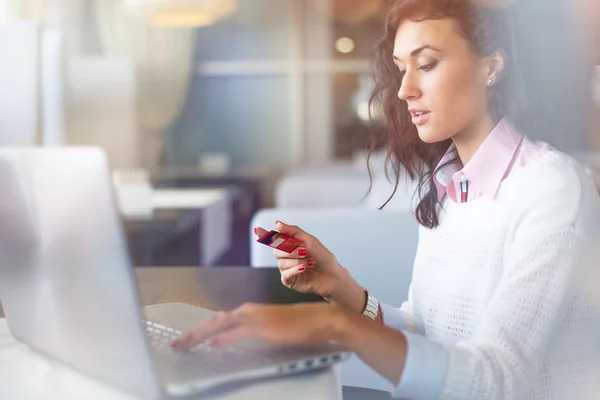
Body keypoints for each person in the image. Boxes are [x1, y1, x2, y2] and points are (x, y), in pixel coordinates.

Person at [172, 0, 600, 398]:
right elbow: (425, 331)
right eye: (401, 68)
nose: (404, 89)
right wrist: (343, 290)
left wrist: (334, 324)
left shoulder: (552, 188)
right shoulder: (451, 184)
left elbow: (496, 377)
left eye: (426, 64)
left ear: (491, 67)